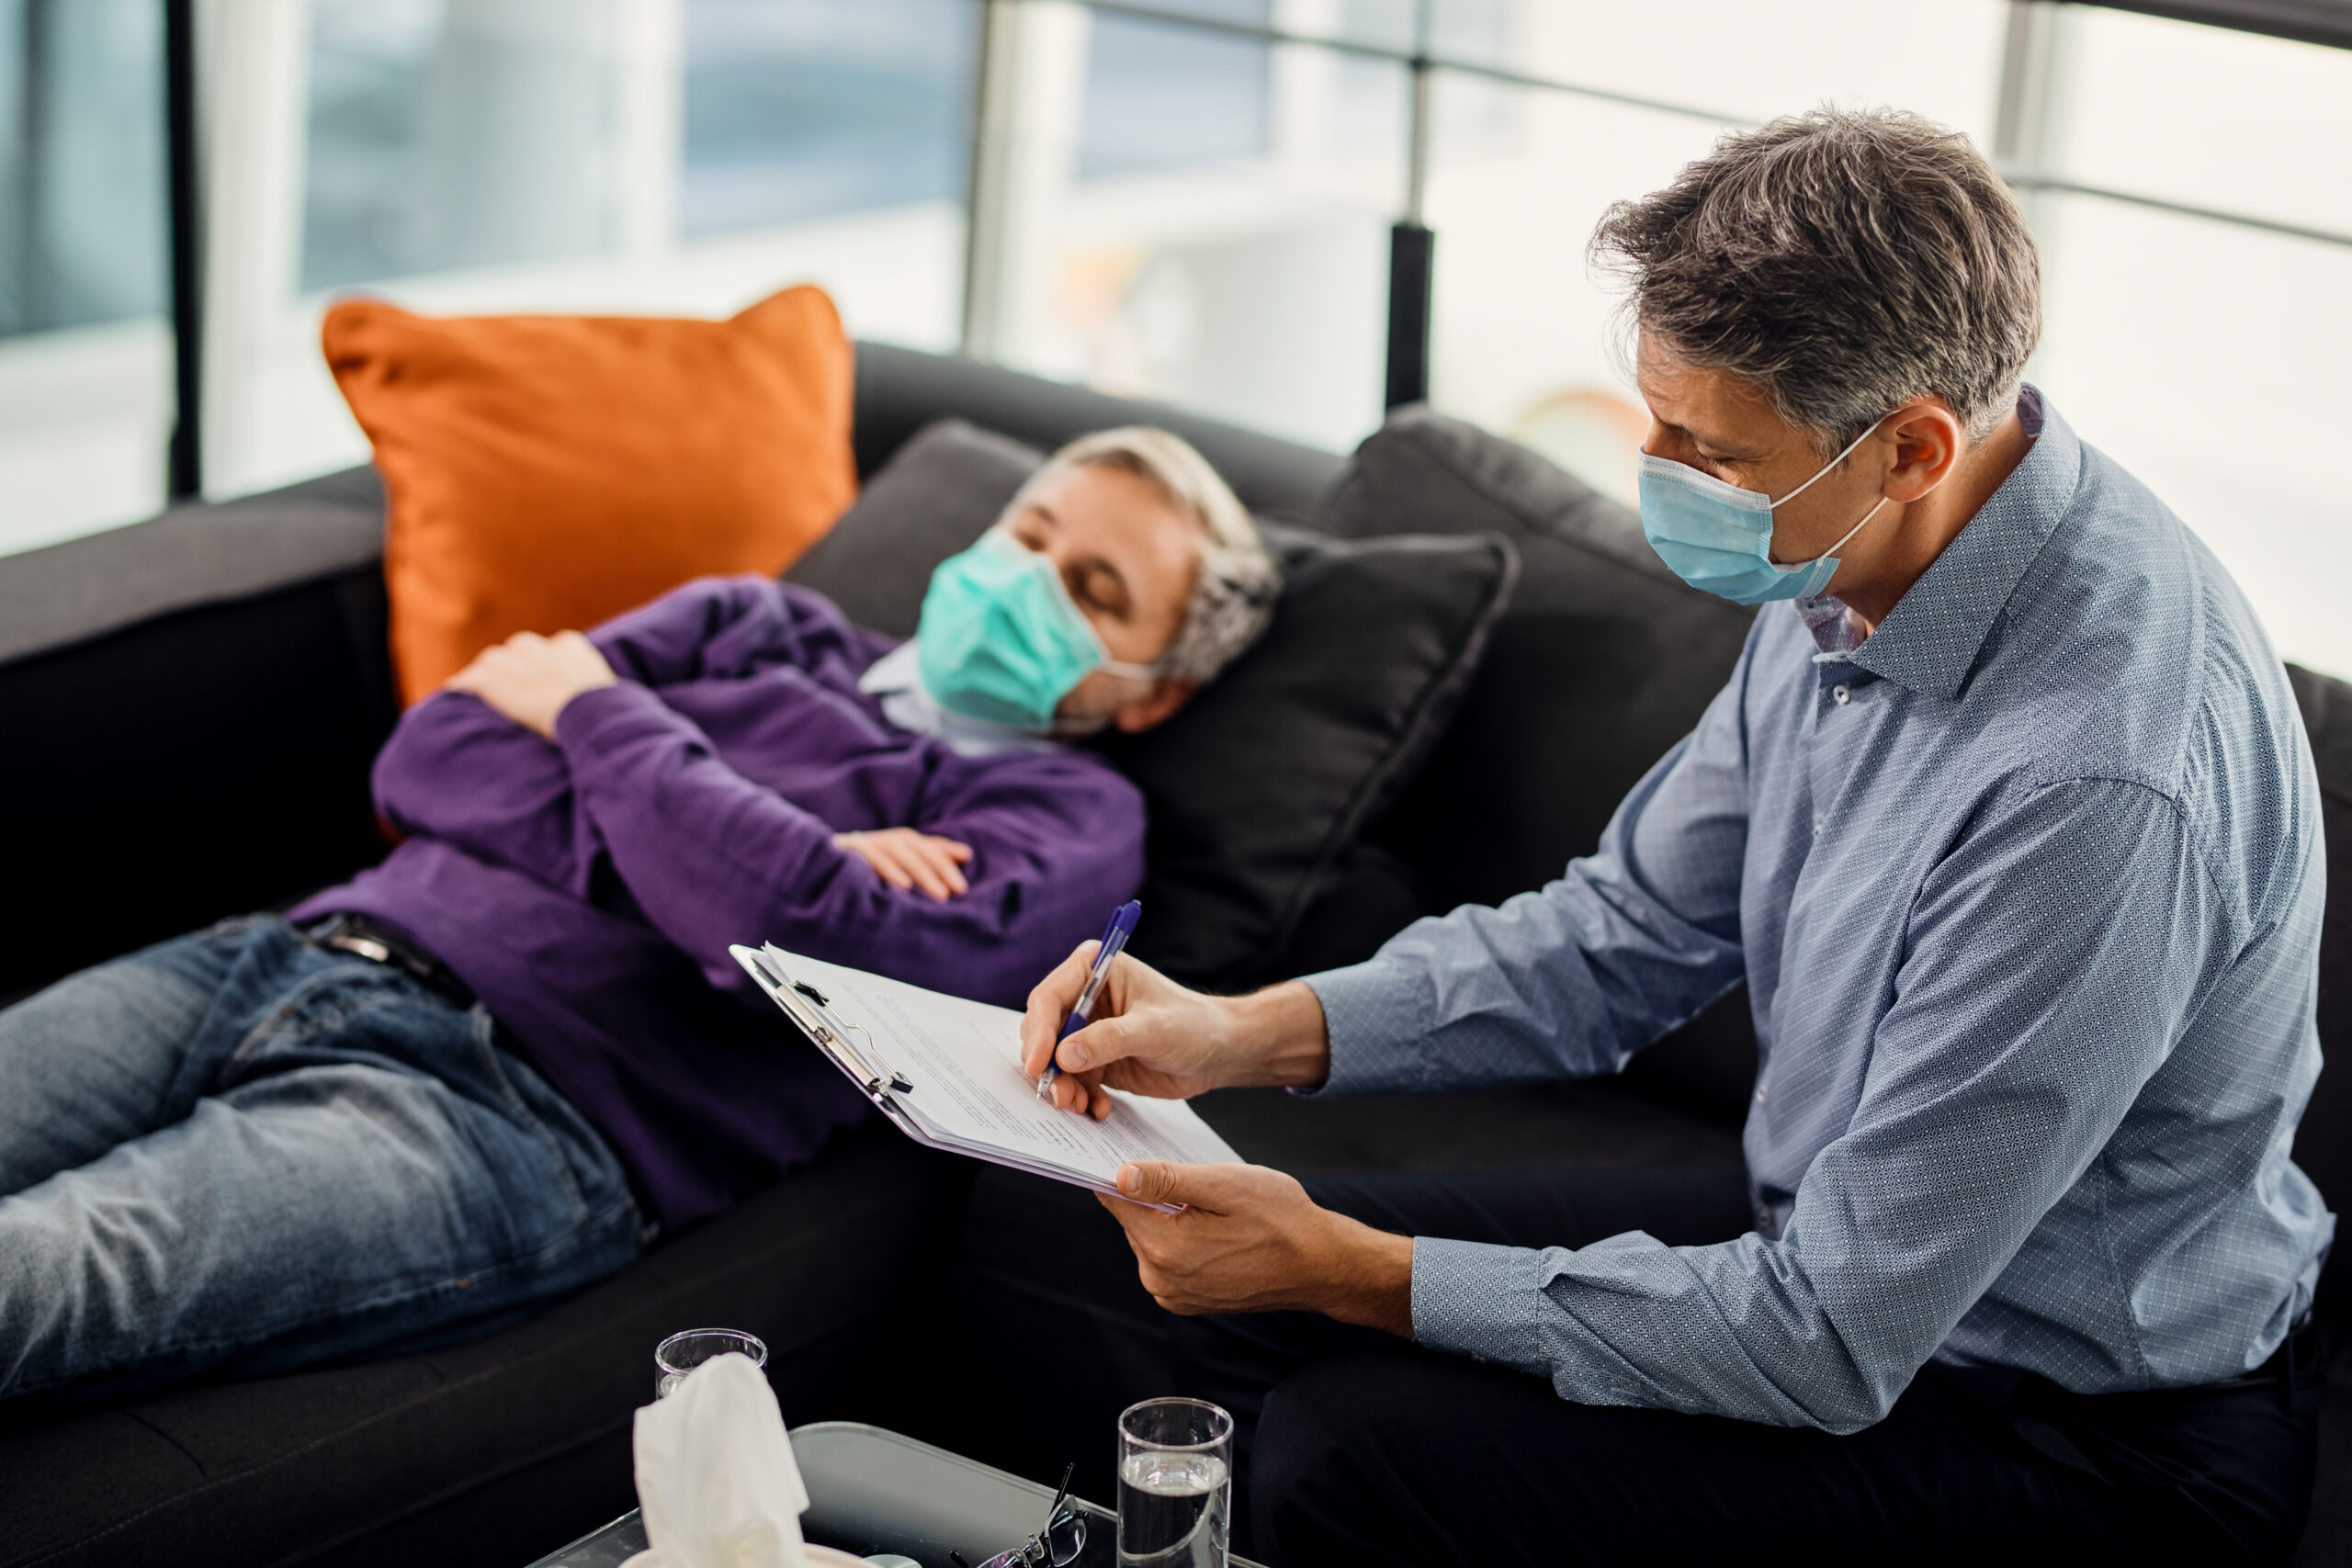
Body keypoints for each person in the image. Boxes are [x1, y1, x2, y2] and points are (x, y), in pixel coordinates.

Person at [1021, 110, 2329, 1565]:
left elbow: (1829, 1340)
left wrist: (1352, 1270)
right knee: (1188, 1264)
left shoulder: (2098, 789)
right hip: (1832, 1231)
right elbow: (1624, 936)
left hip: (2077, 1431)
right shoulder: (1857, 564)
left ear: (1910, 446)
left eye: (1705, 446)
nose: (1653, 470)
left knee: (1349, 1442)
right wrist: (1231, 1030)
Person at [0, 426, 1278, 1404]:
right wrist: (735, 868)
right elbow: (434, 752)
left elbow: (815, 943)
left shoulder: (1075, 821)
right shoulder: (759, 621)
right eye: (1033, 532)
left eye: (1095, 590)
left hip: (509, 1114)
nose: (1030, 580)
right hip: (279, 953)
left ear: (1152, 691)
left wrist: (597, 720)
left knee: (36, 1277)